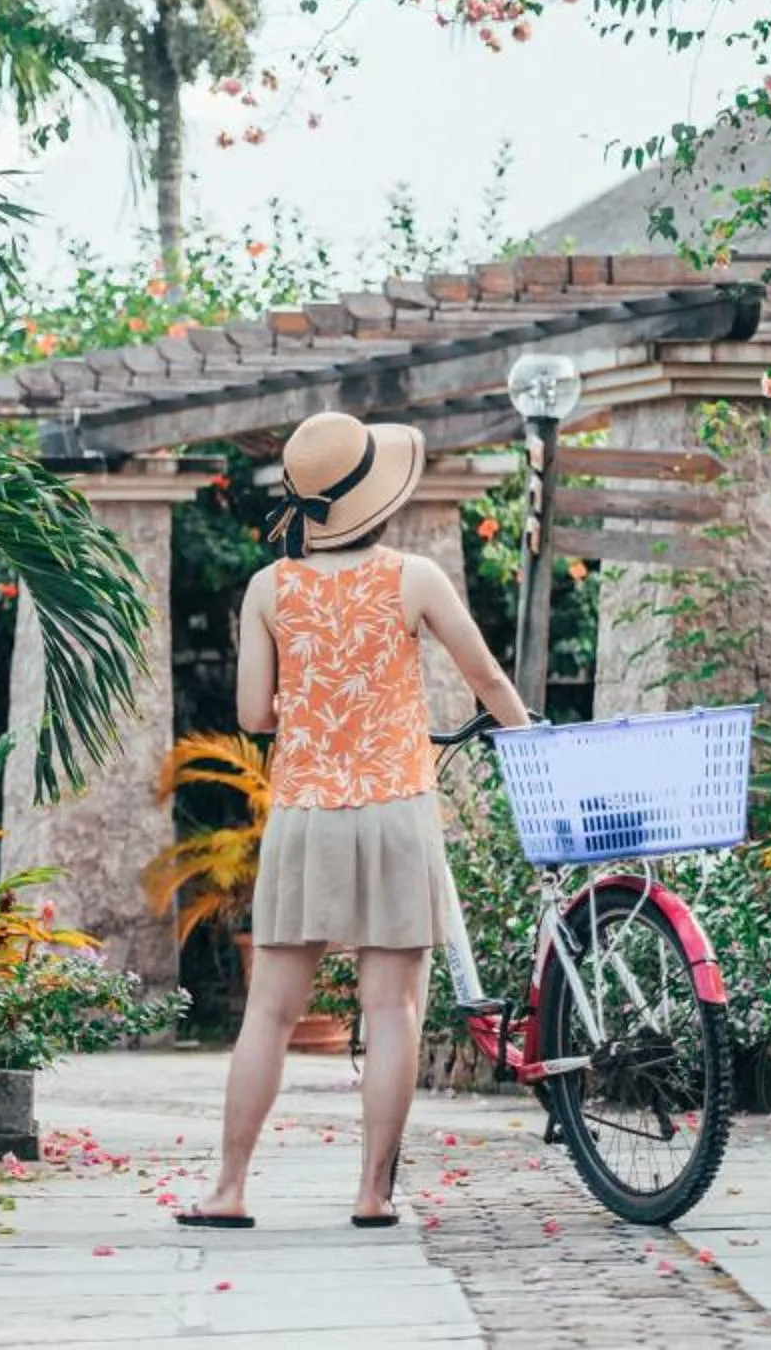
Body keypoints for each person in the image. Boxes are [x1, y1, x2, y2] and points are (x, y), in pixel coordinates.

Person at [182, 408, 530, 1231]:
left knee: (270, 1007)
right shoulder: (416, 578)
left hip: (306, 812)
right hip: (396, 809)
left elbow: (253, 715)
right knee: (390, 1009)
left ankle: (228, 1188)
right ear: (376, 495)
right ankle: (373, 1192)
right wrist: (530, 738)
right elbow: (484, 676)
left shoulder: (270, 587)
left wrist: (314, 693)